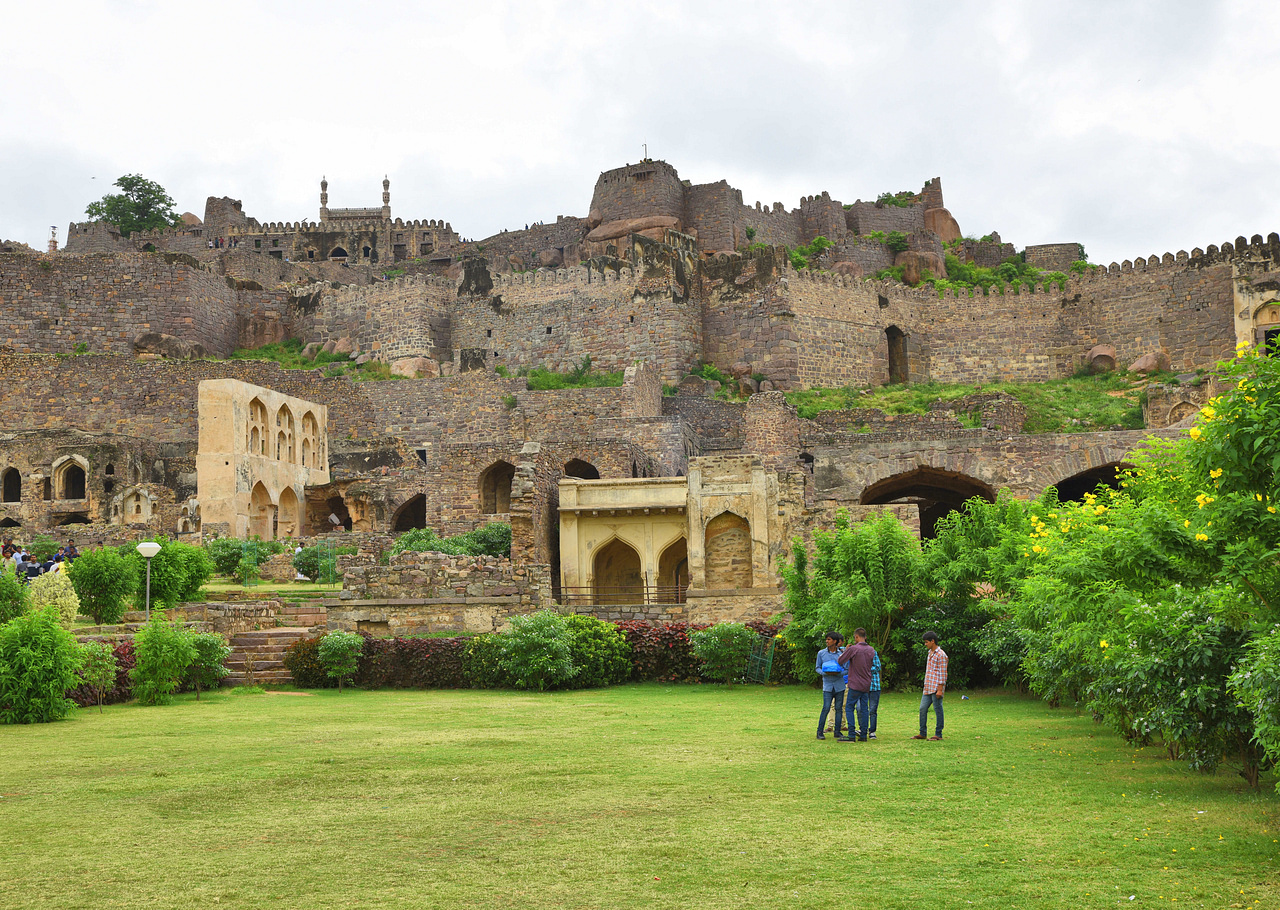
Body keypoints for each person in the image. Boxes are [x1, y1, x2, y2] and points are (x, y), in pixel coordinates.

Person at [838, 627, 876, 742]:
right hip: (866, 684)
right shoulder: (871, 649)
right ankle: (864, 734)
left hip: (855, 684)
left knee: (849, 707)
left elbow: (841, 661)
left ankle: (851, 734)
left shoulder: (854, 649)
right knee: (864, 709)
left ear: (856, 637)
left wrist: (846, 650)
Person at [914, 630, 948, 741]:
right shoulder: (930, 653)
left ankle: (938, 734)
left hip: (936, 687)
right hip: (928, 687)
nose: (925, 644)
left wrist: (940, 689)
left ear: (932, 641)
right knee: (922, 709)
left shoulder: (941, 655)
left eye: (926, 642)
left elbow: (943, 673)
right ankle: (922, 733)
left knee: (938, 710)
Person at [814, 632, 846, 740]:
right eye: (826, 639)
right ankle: (819, 731)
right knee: (826, 707)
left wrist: (837, 673)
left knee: (838, 708)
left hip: (839, 685)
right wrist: (825, 673)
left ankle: (837, 731)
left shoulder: (841, 654)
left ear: (835, 641)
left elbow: (847, 669)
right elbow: (817, 668)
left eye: (829, 639)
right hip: (827, 686)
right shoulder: (821, 653)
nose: (827, 641)